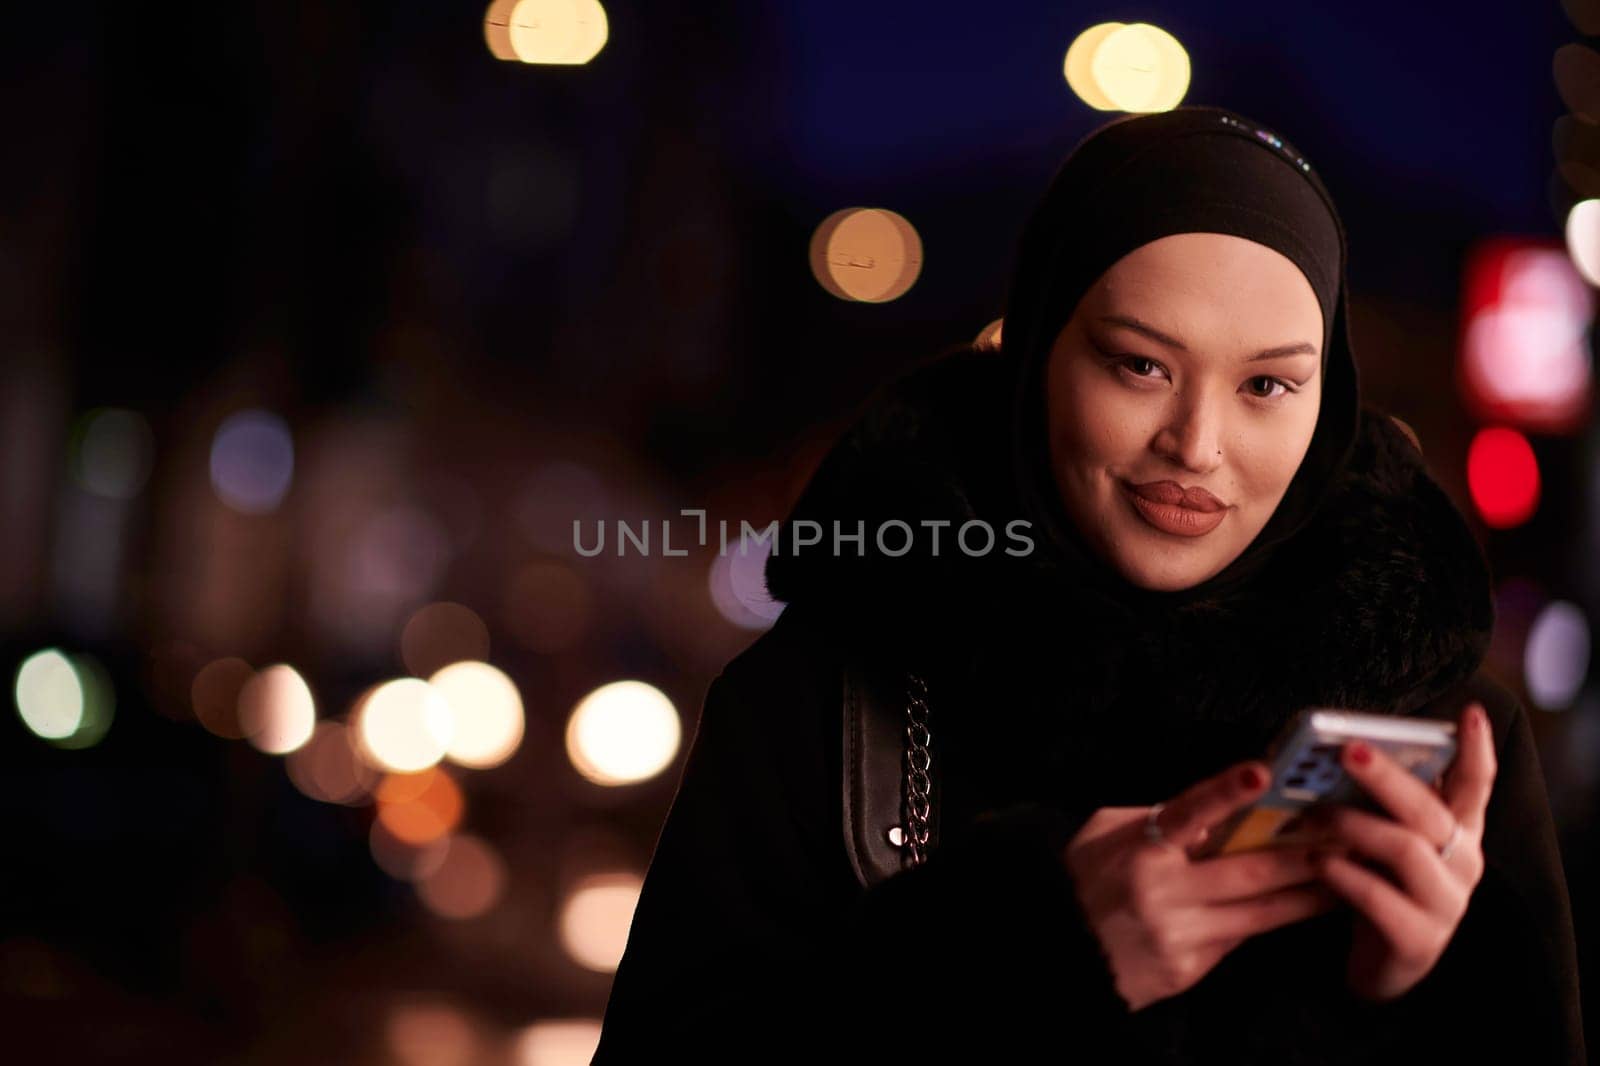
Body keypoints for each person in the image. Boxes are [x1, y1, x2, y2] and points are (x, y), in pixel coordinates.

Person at [589, 106, 1585, 1064]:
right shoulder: (827, 706)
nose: (1194, 445)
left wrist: (1406, 991)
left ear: (1328, 407)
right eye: (1139, 365)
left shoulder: (1434, 744)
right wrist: (1020, 965)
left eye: (1267, 386)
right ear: (1035, 358)